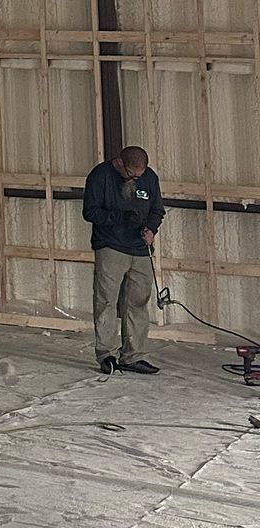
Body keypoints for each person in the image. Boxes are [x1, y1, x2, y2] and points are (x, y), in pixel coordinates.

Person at [82, 144, 164, 374]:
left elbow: (158, 209)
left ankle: (132, 355)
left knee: (137, 303)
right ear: (120, 164)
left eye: (140, 175)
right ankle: (105, 354)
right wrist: (119, 218)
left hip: (140, 248)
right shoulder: (100, 176)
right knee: (106, 300)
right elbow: (90, 211)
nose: (136, 178)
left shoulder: (149, 178)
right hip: (111, 246)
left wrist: (152, 229)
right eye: (131, 174)